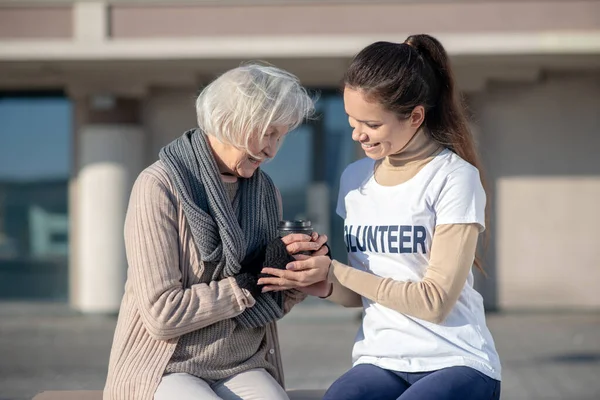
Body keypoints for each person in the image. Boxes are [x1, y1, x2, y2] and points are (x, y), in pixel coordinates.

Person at [259, 35, 502, 399]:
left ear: (415, 116)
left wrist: (337, 270)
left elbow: (434, 302)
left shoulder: (454, 178)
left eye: (371, 124)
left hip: (457, 360)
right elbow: (361, 294)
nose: (358, 134)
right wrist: (320, 280)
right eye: (351, 120)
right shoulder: (354, 180)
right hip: (380, 360)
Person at [103, 64, 328, 400]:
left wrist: (293, 274)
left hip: (243, 362)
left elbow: (267, 304)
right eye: (268, 132)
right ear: (230, 120)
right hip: (166, 364)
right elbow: (163, 314)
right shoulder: (159, 186)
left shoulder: (266, 193)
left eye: (280, 136)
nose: (272, 150)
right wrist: (248, 280)